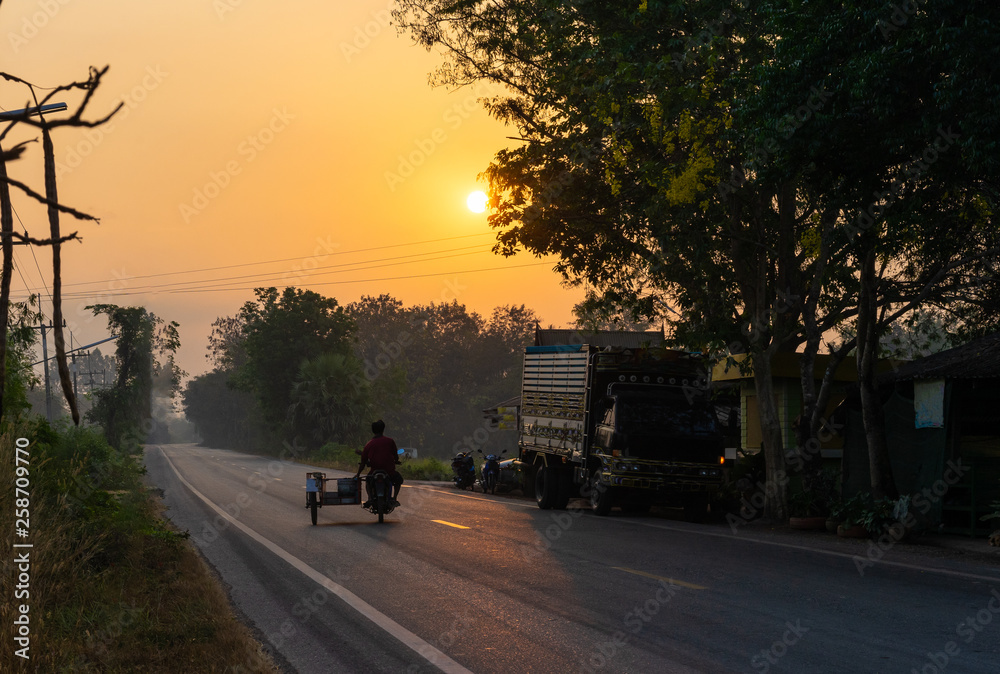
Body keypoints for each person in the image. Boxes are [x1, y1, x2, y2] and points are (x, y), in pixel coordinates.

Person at [354, 419, 403, 507]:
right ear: (383, 429)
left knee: (368, 481)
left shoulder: (368, 444)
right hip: (389, 472)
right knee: (398, 480)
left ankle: (370, 498)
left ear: (373, 431)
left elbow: (363, 463)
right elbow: (396, 456)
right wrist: (396, 460)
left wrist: (358, 474)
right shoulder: (390, 441)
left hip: (374, 472)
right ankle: (395, 498)